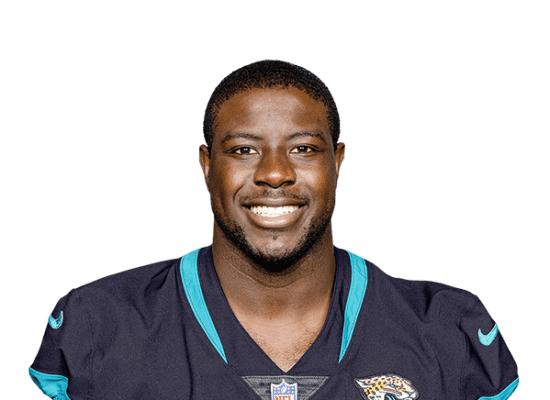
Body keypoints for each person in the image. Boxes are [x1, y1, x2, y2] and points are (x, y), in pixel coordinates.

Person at [28, 60, 519, 400]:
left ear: (336, 162)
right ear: (207, 166)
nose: (275, 173)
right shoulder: (101, 324)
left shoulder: (445, 330)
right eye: (243, 150)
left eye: (303, 148)